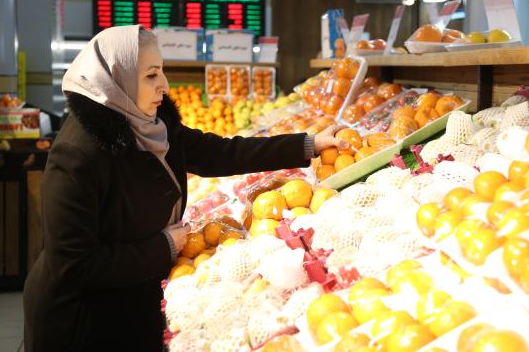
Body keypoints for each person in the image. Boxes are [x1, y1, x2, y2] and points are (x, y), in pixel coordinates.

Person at [23, 25, 347, 352]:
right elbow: (73, 265)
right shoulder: (78, 155)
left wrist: (308, 144)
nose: (164, 85)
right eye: (151, 75)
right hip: (83, 323)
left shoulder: (153, 126)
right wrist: (162, 246)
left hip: (133, 300)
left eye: (161, 71)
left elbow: (221, 153)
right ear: (115, 79)